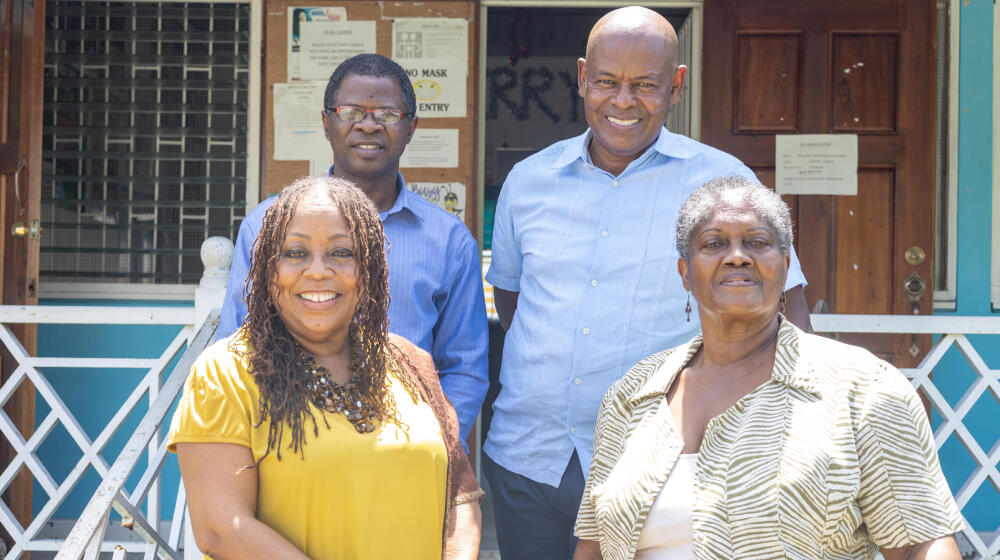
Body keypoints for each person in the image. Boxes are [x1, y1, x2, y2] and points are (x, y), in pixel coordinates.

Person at [483, 6, 812, 558]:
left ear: (676, 86)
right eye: (607, 82)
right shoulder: (528, 180)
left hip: (666, 462)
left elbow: (786, 307)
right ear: (583, 77)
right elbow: (515, 300)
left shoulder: (722, 182)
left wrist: (797, 426)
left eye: (645, 85)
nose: (623, 102)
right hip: (528, 457)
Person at [573, 176, 963, 560]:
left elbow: (920, 543)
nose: (737, 255)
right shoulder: (632, 395)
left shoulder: (862, 387)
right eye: (713, 243)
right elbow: (593, 548)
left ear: (786, 266)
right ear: (685, 273)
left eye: (757, 242)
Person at [168, 177, 483, 559]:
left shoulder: (410, 363)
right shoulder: (227, 372)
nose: (318, 271)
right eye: (295, 253)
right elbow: (221, 530)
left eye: (342, 253)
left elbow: (461, 500)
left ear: (369, 271)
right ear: (269, 270)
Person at [217, 54, 488, 447]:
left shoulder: (449, 242)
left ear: (411, 127)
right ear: (327, 123)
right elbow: (236, 345)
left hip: (402, 452)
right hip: (287, 446)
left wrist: (435, 447)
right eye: (352, 111)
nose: (368, 124)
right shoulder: (266, 227)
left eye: (388, 114)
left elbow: (464, 369)